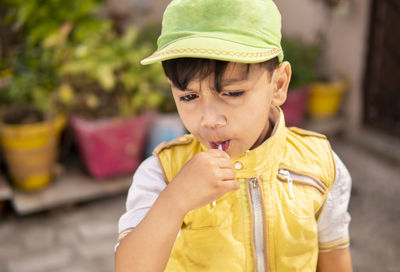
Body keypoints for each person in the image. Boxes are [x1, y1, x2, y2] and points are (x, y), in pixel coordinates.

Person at [115, 0, 352, 271]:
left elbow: (335, 260)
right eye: (189, 96)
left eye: (232, 93)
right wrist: (175, 201)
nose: (209, 120)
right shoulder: (162, 174)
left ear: (278, 84)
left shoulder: (319, 163)